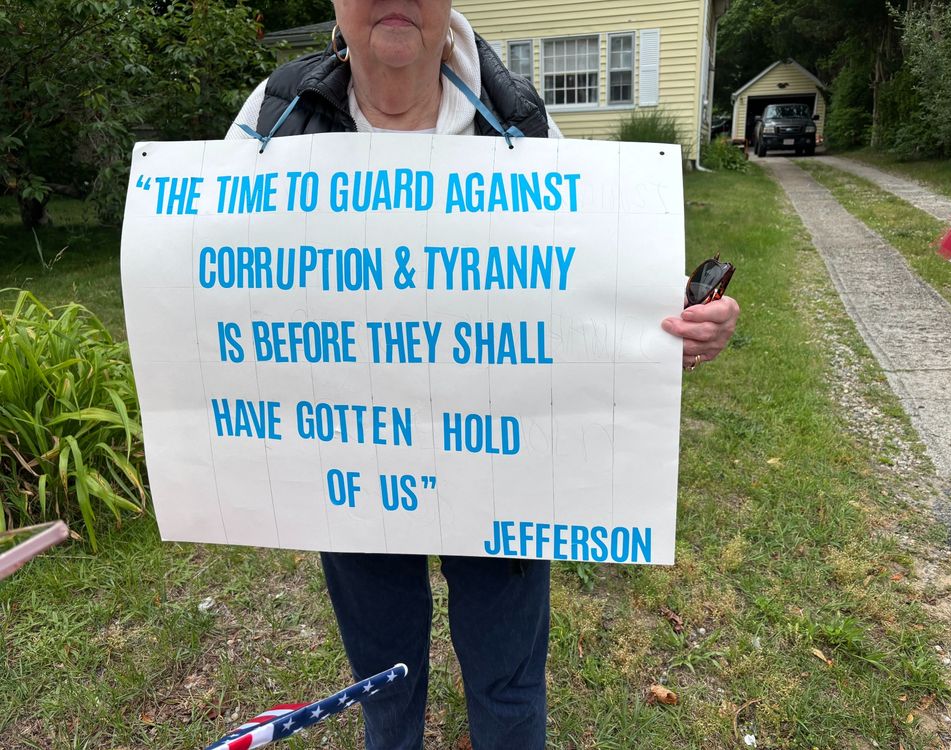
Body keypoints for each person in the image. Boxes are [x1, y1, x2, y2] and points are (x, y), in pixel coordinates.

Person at [227, 2, 740, 748]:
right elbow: (213, 280)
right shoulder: (276, 115)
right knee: (386, 687)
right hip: (355, 460)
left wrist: (681, 327)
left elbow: (595, 278)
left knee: (506, 685)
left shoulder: (518, 118)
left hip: (505, 462)